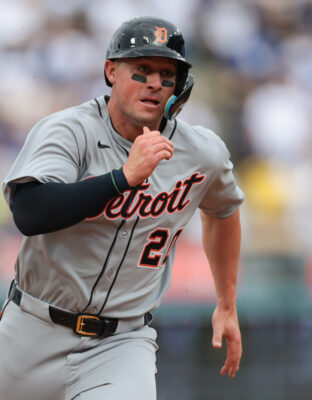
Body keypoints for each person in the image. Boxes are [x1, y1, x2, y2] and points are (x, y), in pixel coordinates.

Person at [0, 16, 244, 400]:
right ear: (111, 71)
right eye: (142, 69)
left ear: (181, 88)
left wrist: (226, 303)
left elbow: (224, 211)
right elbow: (30, 213)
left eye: (167, 74)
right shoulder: (69, 130)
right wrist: (122, 178)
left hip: (121, 342)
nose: (154, 83)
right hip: (31, 331)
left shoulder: (201, 152)